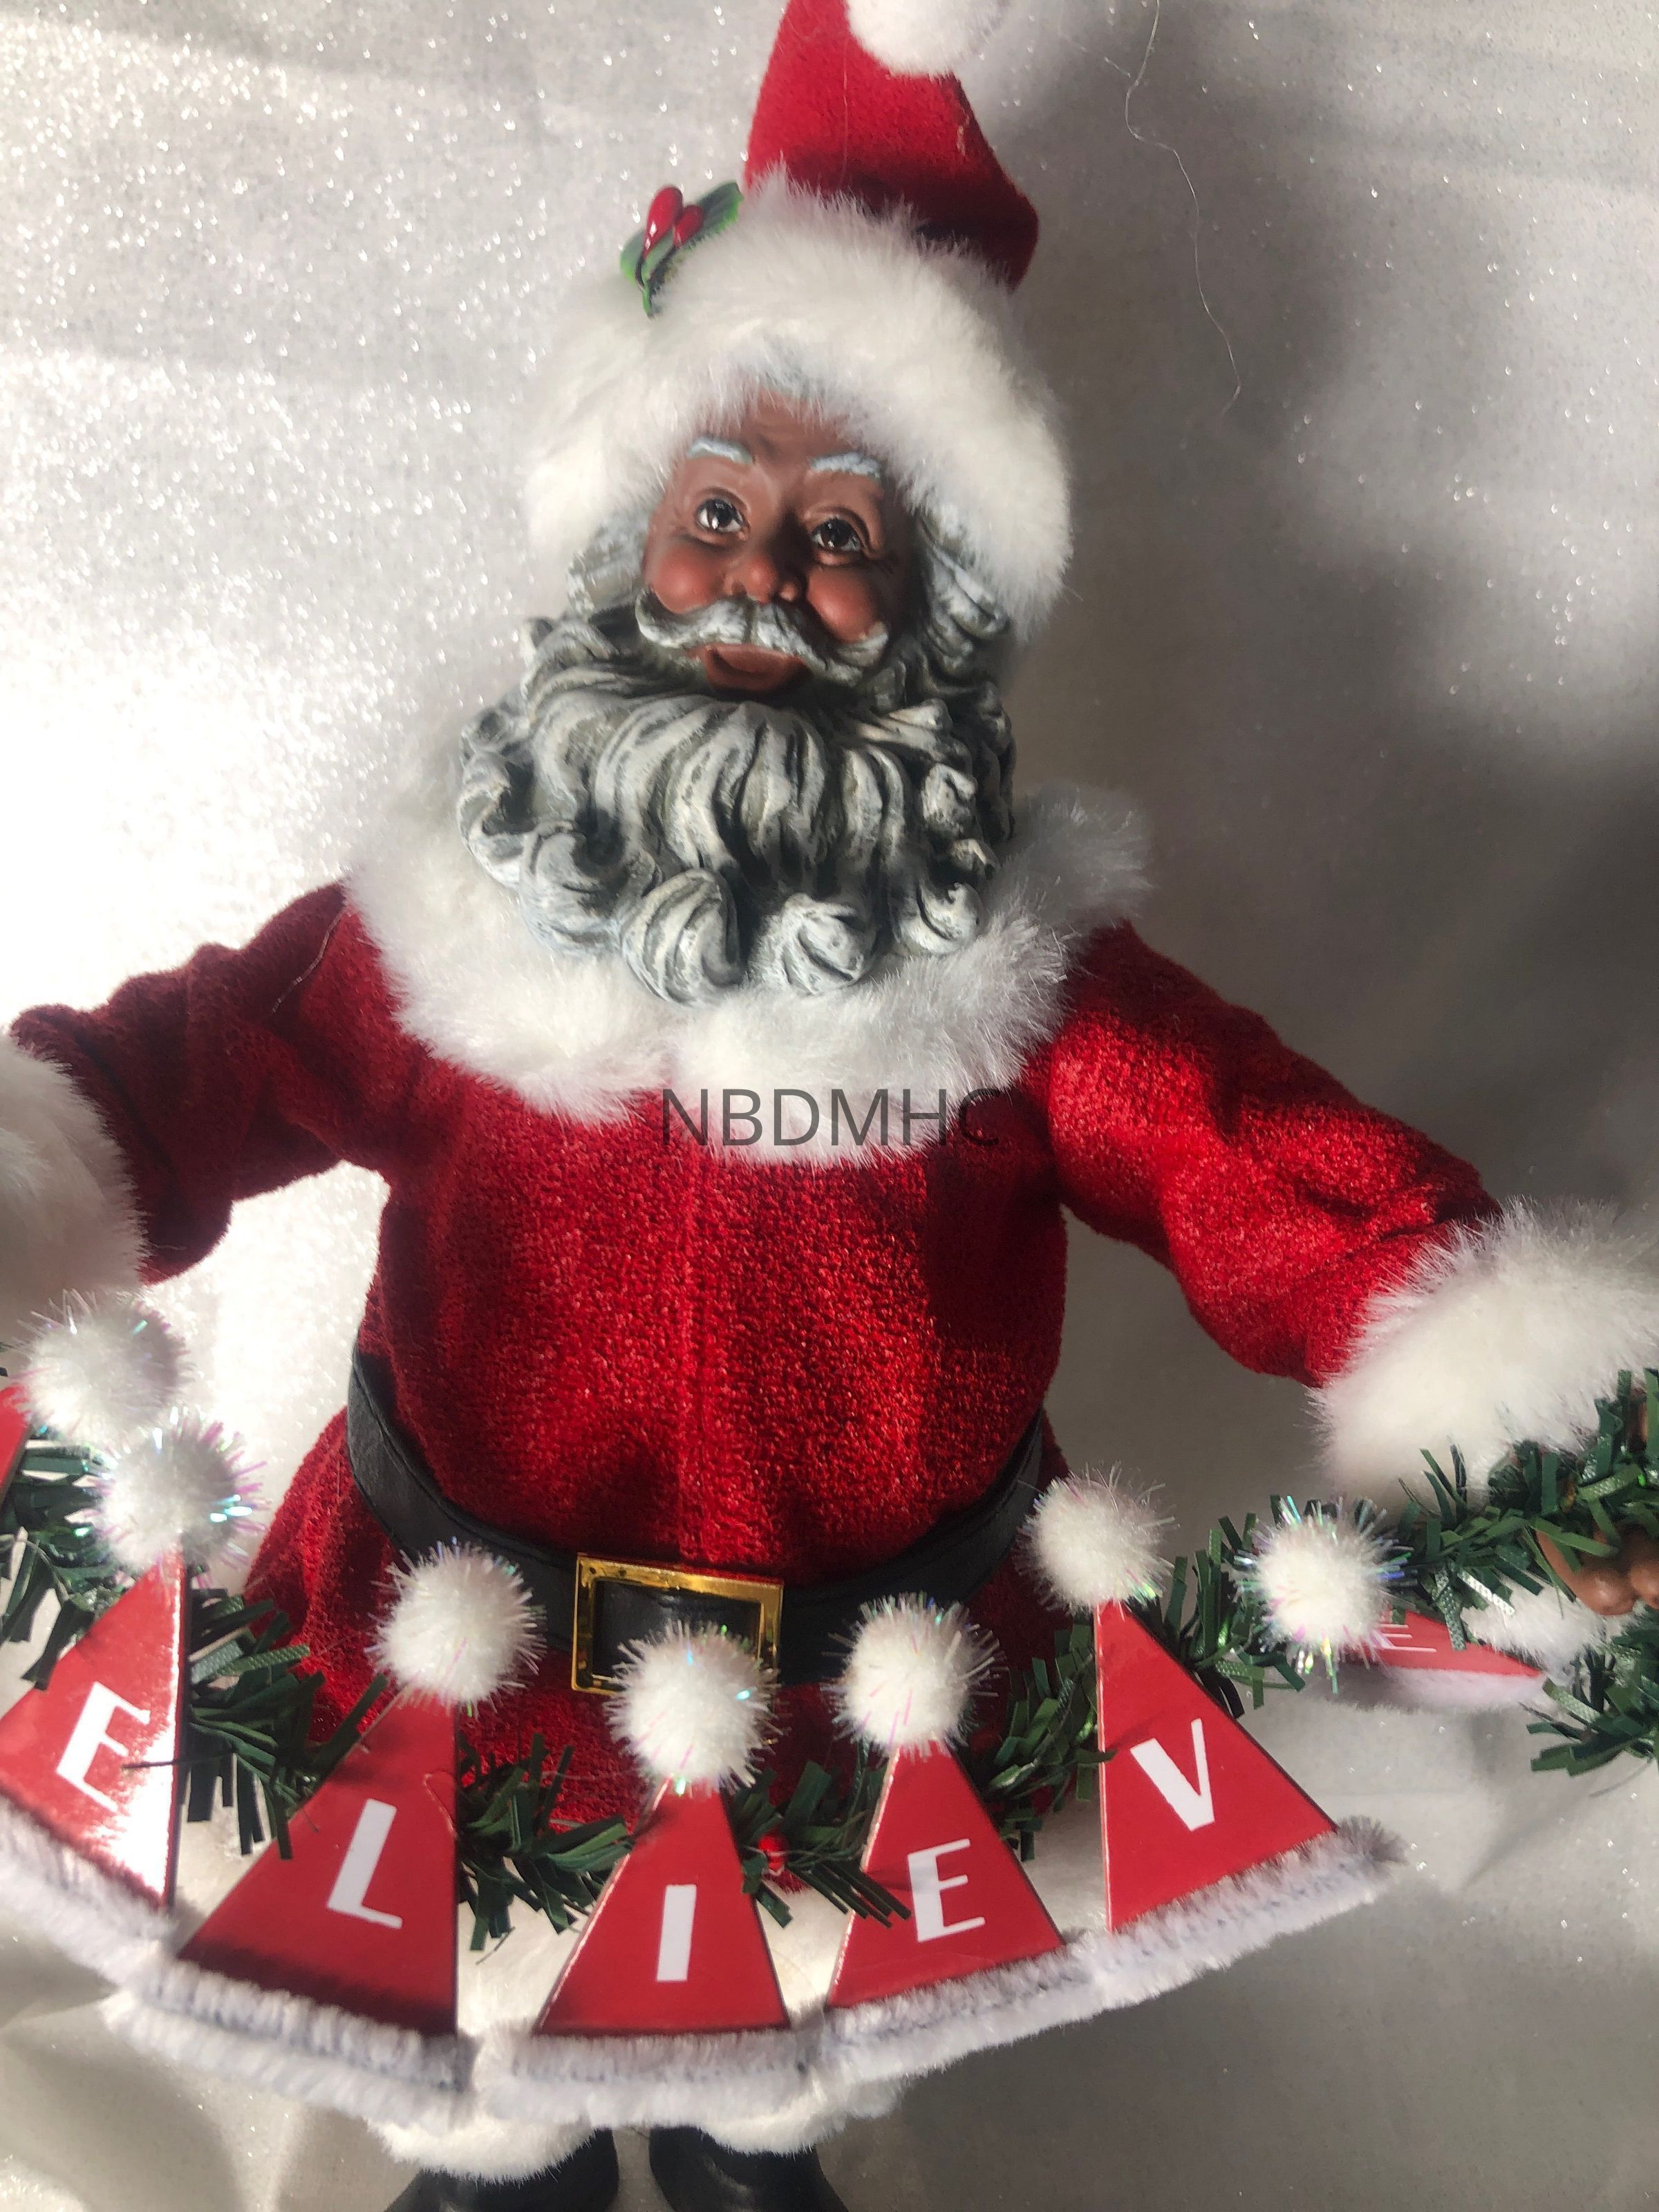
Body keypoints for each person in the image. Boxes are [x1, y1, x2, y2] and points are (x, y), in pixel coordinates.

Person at [3, 3, 1658, 2207]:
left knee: (772, 2110)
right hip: (446, 1690)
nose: (768, 577)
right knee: (477, 2107)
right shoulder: (436, 938)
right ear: (624, 545)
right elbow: (177, 1077)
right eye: (717, 511)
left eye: (841, 526)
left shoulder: (1028, 994)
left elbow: (1271, 1180)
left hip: (867, 1740)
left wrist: (1516, 1422)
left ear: (937, 612)